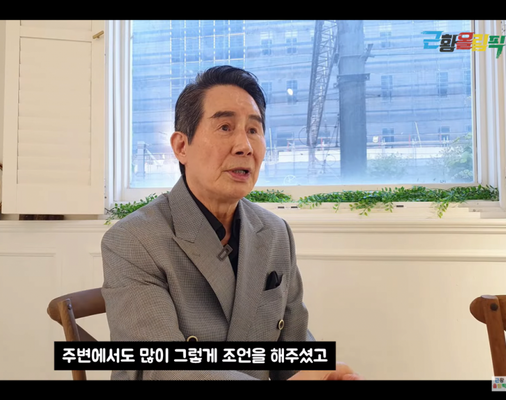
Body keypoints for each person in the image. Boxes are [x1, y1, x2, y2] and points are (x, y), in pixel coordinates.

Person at [101, 65, 361, 380]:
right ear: (182, 146)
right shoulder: (134, 239)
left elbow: (294, 347)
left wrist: (323, 374)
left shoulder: (275, 232)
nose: (244, 146)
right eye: (225, 127)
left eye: (253, 130)